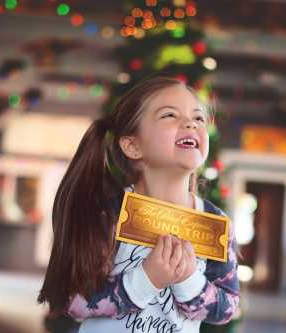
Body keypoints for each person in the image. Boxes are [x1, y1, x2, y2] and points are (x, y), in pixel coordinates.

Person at [38, 75, 239, 333]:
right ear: (132, 145)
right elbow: (71, 300)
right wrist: (147, 278)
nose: (190, 123)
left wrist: (189, 281)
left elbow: (227, 308)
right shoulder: (108, 213)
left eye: (199, 117)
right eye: (169, 115)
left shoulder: (216, 224)